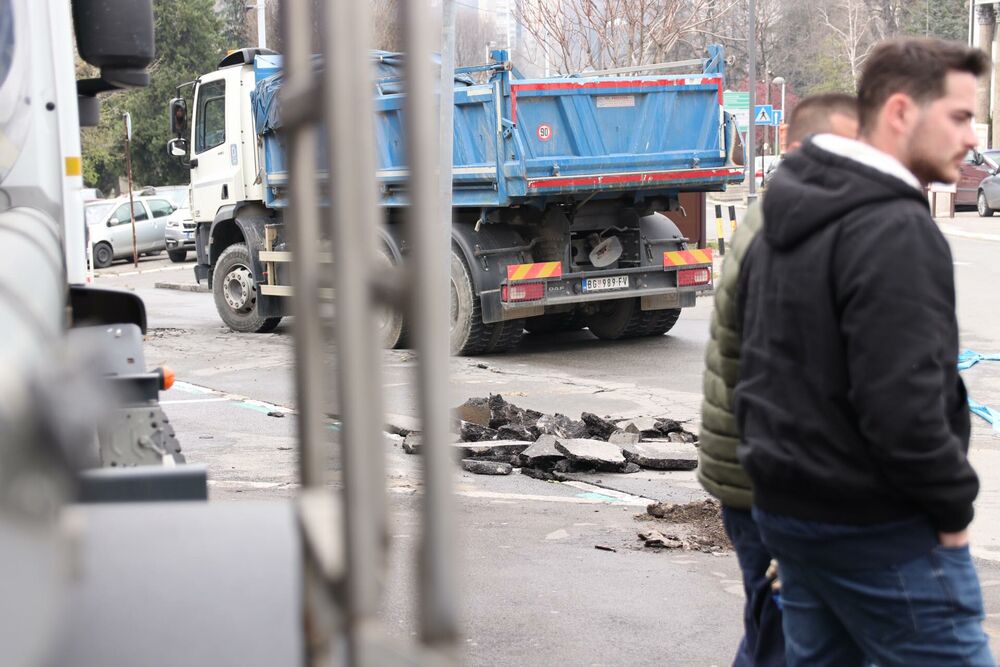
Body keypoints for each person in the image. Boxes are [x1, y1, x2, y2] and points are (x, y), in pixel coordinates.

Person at [734, 38, 993, 666]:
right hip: (880, 530)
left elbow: (754, 374)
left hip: (794, 516)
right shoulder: (894, 229)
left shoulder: (786, 215)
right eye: (960, 117)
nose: (971, 139)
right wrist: (952, 512)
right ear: (901, 111)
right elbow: (904, 408)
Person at [698, 93, 859, 667]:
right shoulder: (789, 227)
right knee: (781, 637)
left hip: (751, 470)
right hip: (765, 481)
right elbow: (780, 375)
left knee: (775, 631)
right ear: (796, 147)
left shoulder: (782, 214)